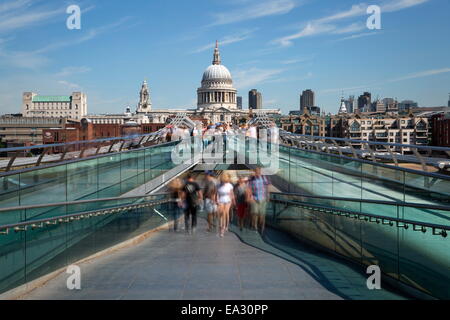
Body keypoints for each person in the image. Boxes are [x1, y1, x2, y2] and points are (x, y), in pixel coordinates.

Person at [248, 167, 271, 234]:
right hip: (254, 198)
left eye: (259, 172)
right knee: (255, 213)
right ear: (255, 172)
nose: (257, 173)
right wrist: (250, 197)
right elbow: (249, 189)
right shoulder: (251, 180)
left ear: (260, 172)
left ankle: (262, 225)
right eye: (256, 172)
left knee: (262, 214)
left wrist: (268, 195)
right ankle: (255, 226)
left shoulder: (264, 178)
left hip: (262, 198)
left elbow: (267, 186)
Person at [217, 173, 235, 237]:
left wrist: (233, 201)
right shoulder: (218, 185)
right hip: (221, 200)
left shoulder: (230, 185)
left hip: (228, 200)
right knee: (221, 213)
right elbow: (217, 194)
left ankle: (224, 228)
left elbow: (232, 194)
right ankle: (221, 225)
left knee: (225, 213)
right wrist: (217, 200)